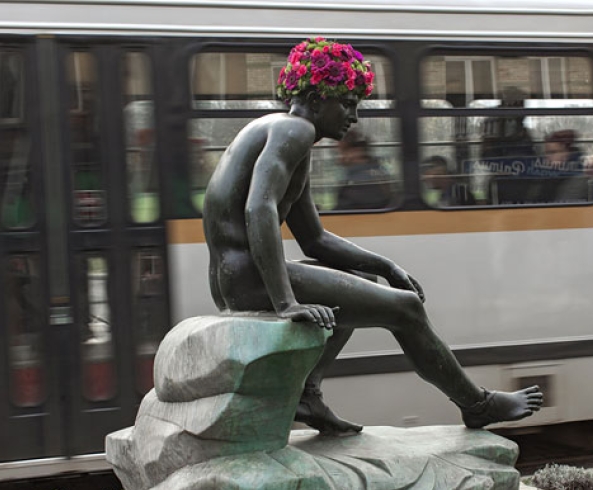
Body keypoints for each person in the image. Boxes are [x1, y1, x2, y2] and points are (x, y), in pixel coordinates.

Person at [203, 37, 542, 435]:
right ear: (314, 98)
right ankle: (477, 405)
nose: (354, 116)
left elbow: (314, 241)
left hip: (235, 277)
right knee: (405, 309)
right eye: (346, 103)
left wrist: (386, 266)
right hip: (248, 279)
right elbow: (257, 208)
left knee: (361, 283)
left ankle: (308, 395)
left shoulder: (285, 135)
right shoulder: (292, 130)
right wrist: (286, 303)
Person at [334, 129, 392, 210]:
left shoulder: (359, 181)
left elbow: (344, 210)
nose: (340, 158)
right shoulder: (378, 171)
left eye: (343, 152)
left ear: (357, 151)